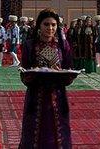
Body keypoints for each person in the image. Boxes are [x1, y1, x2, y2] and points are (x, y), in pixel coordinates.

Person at [19, 8, 74, 148]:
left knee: (58, 133)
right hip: (36, 96)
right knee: (35, 133)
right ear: (39, 25)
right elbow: (24, 74)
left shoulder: (63, 46)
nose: (50, 28)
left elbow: (69, 71)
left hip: (58, 96)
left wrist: (62, 73)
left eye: (53, 25)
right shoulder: (30, 45)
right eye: (46, 24)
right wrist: (35, 72)